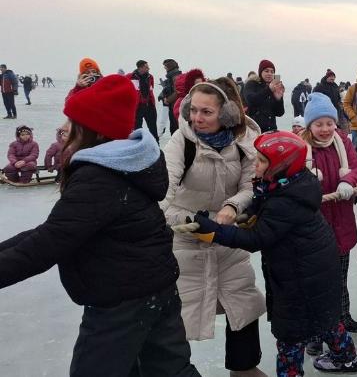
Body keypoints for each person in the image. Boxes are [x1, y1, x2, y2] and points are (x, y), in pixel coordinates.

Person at [0, 76, 200, 376]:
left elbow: (49, 242)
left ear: (92, 130)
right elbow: (58, 229)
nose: (64, 129)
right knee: (169, 370)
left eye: (73, 121)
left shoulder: (99, 179)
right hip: (155, 288)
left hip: (121, 303)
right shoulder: (127, 166)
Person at [173, 131, 357, 375]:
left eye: (261, 161)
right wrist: (249, 210)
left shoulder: (286, 200)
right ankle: (346, 357)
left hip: (301, 280)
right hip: (311, 271)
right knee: (325, 320)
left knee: (290, 337)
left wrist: (213, 231)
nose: (255, 164)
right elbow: (264, 201)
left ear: (281, 165)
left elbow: (255, 239)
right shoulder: (291, 183)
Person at [161, 78, 267, 377]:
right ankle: (174, 371)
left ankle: (244, 369)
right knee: (179, 312)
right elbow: (162, 195)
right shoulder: (181, 143)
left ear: (226, 114)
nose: (197, 118)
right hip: (185, 241)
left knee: (243, 303)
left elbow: (250, 187)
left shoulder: (244, 145)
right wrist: (188, 221)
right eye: (193, 110)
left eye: (206, 112)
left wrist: (232, 207)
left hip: (227, 239)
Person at [300, 92, 357, 337]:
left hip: (341, 222)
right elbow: (292, 177)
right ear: (310, 125)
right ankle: (315, 331)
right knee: (316, 282)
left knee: (339, 277)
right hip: (313, 228)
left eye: (329, 123)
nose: (325, 129)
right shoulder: (301, 147)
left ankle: (343, 317)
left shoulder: (343, 143)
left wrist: (348, 181)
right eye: (319, 124)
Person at [243, 60, 285, 132]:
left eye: (272, 72)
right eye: (266, 71)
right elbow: (251, 100)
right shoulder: (252, 84)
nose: (269, 74)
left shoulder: (274, 88)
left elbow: (279, 113)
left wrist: (279, 99)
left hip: (271, 131)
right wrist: (268, 90)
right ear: (260, 72)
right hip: (255, 131)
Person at [128, 60, 159, 141]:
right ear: (140, 68)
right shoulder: (130, 77)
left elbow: (151, 89)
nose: (148, 68)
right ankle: (138, 145)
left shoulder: (150, 77)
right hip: (137, 107)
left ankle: (156, 146)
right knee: (137, 129)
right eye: (146, 67)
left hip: (149, 106)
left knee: (153, 128)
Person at [161, 58, 182, 135]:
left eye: (165, 67)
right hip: (174, 106)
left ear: (169, 67)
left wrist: (168, 100)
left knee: (175, 129)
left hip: (176, 106)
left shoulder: (175, 77)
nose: (164, 68)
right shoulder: (172, 77)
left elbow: (178, 92)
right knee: (174, 129)